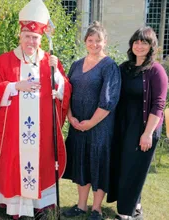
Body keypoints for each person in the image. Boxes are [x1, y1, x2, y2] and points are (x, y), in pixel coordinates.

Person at [0, 0, 72, 219]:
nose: (31, 41)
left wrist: (57, 77)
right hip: (14, 130)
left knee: (40, 161)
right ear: (20, 36)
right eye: (27, 36)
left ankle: (39, 203)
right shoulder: (5, 61)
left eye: (35, 37)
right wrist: (15, 86)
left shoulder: (50, 61)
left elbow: (64, 89)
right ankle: (15, 205)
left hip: (42, 127)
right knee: (15, 162)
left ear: (41, 39)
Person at [107, 27, 168, 220]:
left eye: (144, 42)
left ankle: (126, 213)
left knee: (133, 169)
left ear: (151, 47)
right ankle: (136, 204)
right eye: (136, 42)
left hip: (143, 127)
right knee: (124, 166)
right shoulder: (124, 68)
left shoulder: (156, 71)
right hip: (123, 126)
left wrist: (148, 133)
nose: (139, 46)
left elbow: (158, 104)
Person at [62, 21, 121, 220]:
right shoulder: (77, 65)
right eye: (90, 40)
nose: (94, 44)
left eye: (98, 41)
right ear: (85, 41)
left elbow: (109, 100)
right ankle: (81, 206)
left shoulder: (109, 66)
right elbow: (67, 92)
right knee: (81, 163)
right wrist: (71, 117)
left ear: (105, 42)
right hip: (78, 125)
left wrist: (90, 123)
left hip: (100, 127)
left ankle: (96, 208)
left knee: (98, 164)